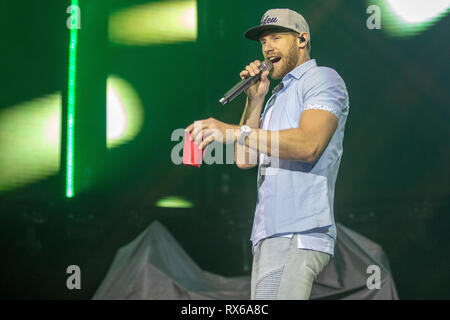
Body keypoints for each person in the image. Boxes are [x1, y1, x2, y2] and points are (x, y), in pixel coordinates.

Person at [185, 8, 349, 300]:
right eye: (263, 41)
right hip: (269, 233)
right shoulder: (276, 97)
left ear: (302, 39)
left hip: (298, 230)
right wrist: (257, 100)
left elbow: (309, 146)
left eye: (276, 37)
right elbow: (244, 159)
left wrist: (236, 132)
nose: (267, 47)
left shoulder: (322, 79)